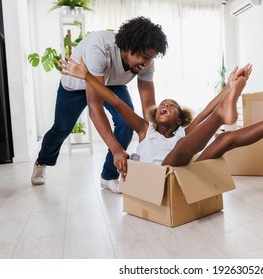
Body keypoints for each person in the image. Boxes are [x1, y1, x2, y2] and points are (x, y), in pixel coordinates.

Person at [60, 57, 263, 178]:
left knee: (226, 139)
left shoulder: (184, 133)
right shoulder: (145, 129)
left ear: (180, 119)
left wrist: (230, 85)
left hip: (185, 173)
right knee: (185, 146)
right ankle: (223, 115)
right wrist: (87, 78)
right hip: (158, 178)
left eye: (172, 105)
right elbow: (114, 101)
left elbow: (205, 110)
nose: (165, 105)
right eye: (162, 105)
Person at [31, 16, 168, 193]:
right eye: (144, 57)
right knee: (62, 128)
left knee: (126, 123)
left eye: (151, 58)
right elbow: (95, 108)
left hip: (113, 84)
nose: (147, 63)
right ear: (129, 47)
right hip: (75, 85)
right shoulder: (100, 48)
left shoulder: (147, 62)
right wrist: (117, 150)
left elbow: (149, 108)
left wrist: (154, 137)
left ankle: (109, 176)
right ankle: (42, 161)